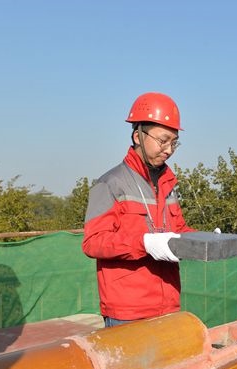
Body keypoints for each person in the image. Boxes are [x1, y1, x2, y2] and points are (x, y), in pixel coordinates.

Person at [82, 92, 195, 327]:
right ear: (138, 136)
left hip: (168, 305)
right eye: (163, 140)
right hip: (128, 311)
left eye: (174, 142)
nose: (169, 149)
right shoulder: (111, 183)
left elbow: (179, 230)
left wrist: (204, 242)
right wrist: (144, 243)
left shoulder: (168, 184)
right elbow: (93, 242)